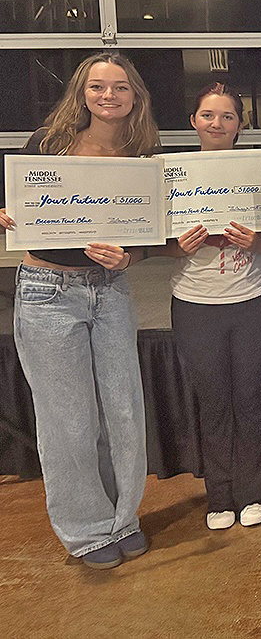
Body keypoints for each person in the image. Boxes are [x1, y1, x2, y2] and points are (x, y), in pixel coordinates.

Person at [0, 53, 159, 569]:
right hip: (48, 292)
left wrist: (130, 255)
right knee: (68, 421)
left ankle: (123, 518)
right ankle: (88, 531)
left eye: (120, 87)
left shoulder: (142, 158)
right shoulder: (47, 146)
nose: (108, 95)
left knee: (124, 412)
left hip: (110, 291)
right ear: (81, 92)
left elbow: (150, 236)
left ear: (135, 96)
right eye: (97, 86)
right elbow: (13, 205)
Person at [156, 83, 261, 530]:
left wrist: (259, 241)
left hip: (252, 300)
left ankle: (254, 492)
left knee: (250, 397)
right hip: (194, 302)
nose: (217, 124)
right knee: (213, 400)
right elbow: (153, 242)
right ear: (193, 121)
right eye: (208, 115)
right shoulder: (171, 174)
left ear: (241, 124)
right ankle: (220, 496)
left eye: (228, 116)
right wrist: (177, 248)